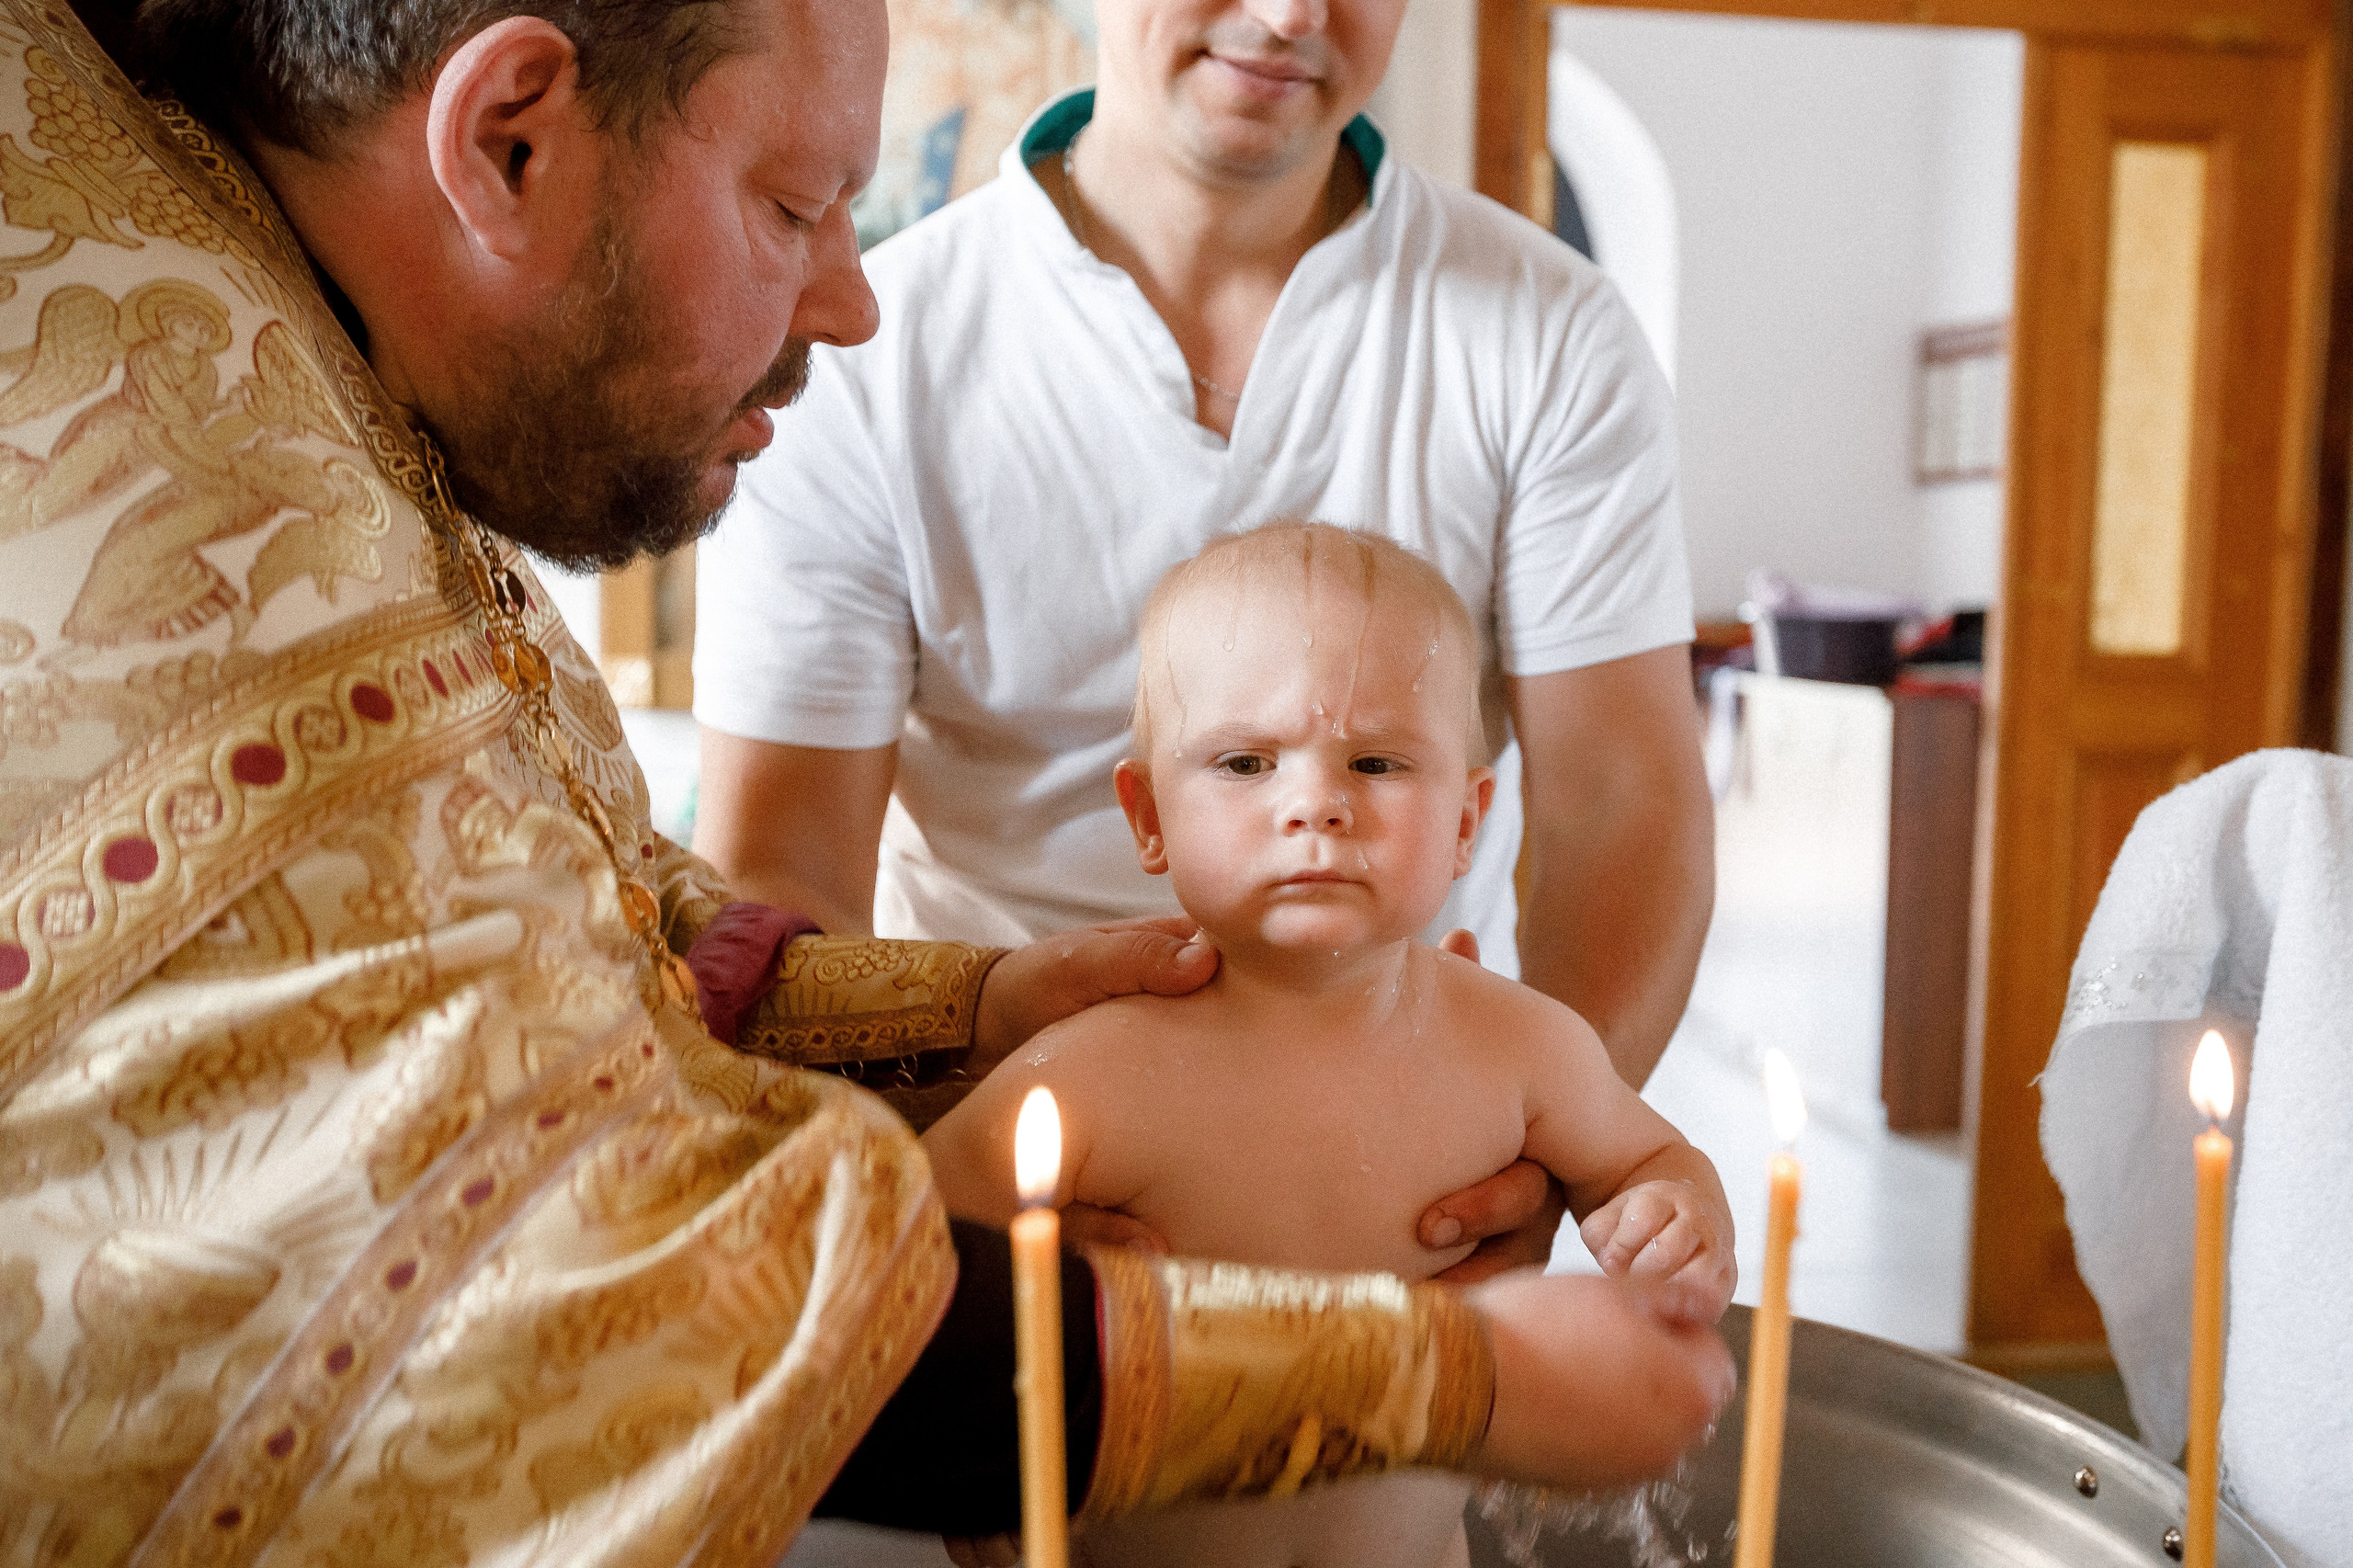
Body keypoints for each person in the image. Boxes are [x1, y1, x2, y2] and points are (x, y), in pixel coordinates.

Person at [0, 3, 1733, 1565]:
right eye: (787, 207)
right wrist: (1437, 1368)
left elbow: (607, 927)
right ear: (506, 136)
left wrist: (978, 1011)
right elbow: (605, 1304)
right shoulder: (180, 527)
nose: (848, 297)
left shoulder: (236, 299)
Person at [692, 0, 1715, 1100]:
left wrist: (1541, 1142)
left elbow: (1619, 806)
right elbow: (784, 864)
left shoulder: (1551, 333)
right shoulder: (865, 351)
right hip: (986, 1116)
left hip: (1398, 1131)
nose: (1287, 17)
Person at [924, 524, 1735, 1568]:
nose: (1315, 803)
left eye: (1377, 761)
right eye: (1244, 761)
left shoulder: (1522, 1047)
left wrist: (1672, 1214)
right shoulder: (1092, 1072)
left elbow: (1646, 1158)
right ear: (1148, 814)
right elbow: (907, 1255)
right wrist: (977, 1452)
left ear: (1467, 821)